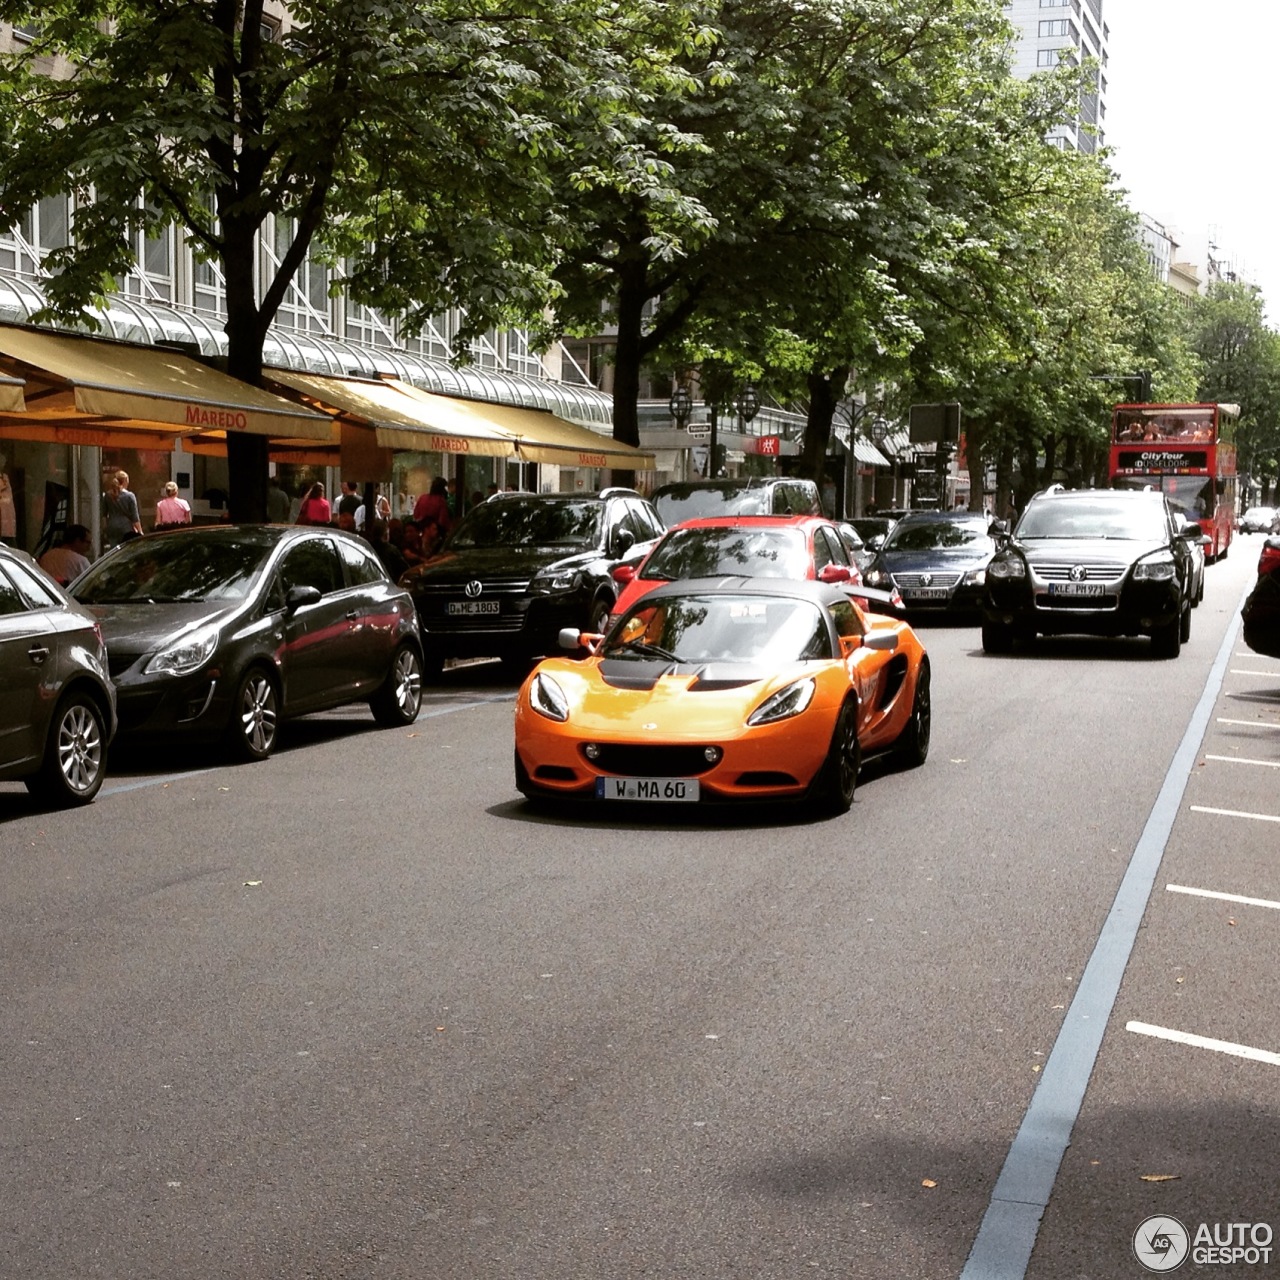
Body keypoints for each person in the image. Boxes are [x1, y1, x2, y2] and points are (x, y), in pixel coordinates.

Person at [104, 470, 143, 546]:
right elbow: (134, 517)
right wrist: (140, 531)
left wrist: (105, 528)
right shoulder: (129, 496)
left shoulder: (108, 495)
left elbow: (104, 514)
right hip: (126, 528)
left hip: (112, 526)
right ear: (125, 481)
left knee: (114, 550)